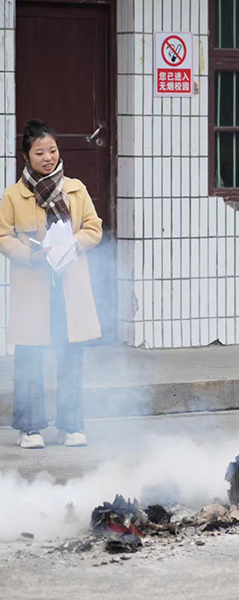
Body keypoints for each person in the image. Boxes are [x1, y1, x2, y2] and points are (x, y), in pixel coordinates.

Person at [0, 119, 103, 449]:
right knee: (30, 354)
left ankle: (70, 425)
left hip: (69, 285)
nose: (48, 158)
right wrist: (31, 255)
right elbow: (3, 236)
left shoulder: (75, 189)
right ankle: (29, 428)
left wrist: (74, 244)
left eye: (53, 150)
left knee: (70, 353)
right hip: (34, 285)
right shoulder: (13, 195)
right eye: (40, 152)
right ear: (26, 156)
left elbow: (93, 228)